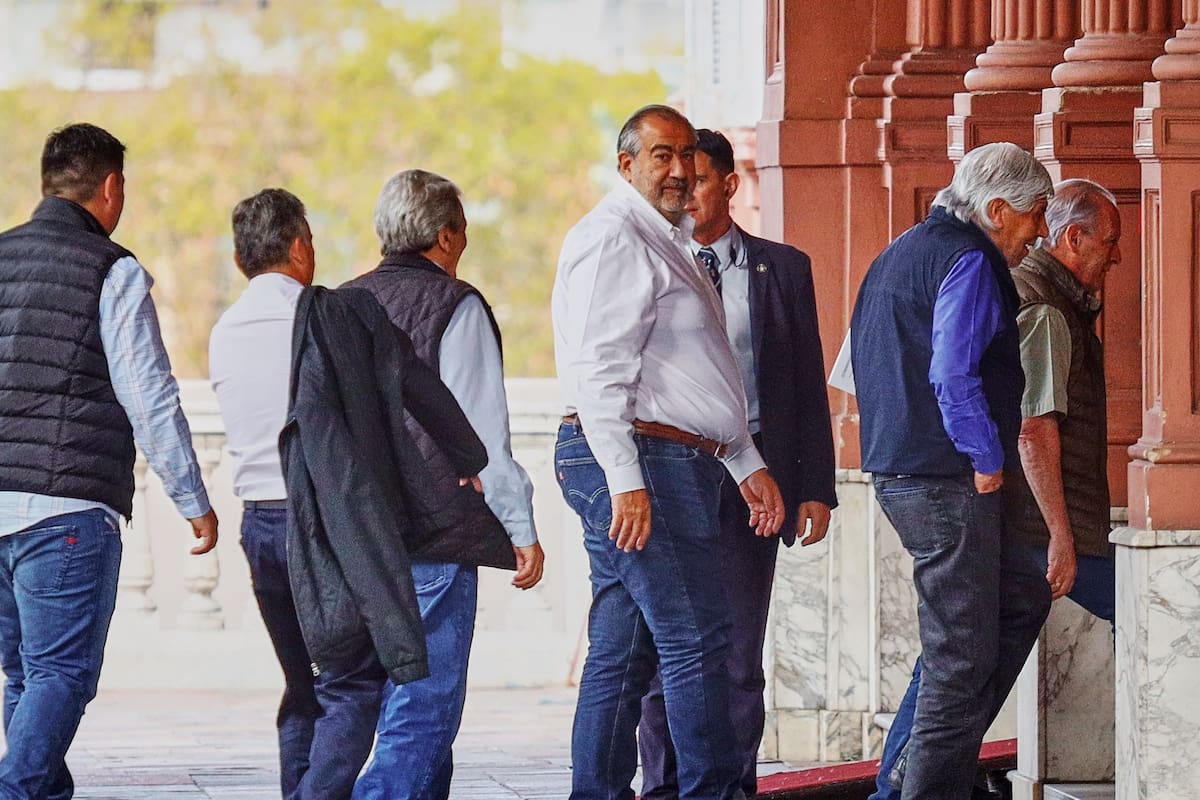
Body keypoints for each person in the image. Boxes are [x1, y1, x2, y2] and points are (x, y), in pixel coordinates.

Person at [210, 188, 489, 800]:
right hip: (325, 528)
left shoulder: (225, 330)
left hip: (259, 528)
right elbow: (413, 380)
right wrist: (470, 456)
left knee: (305, 688)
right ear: (300, 248)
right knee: (353, 685)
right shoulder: (338, 314)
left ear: (239, 260)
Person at [552, 103, 786, 800]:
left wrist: (744, 459)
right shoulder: (616, 237)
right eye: (662, 155)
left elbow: (693, 371)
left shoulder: (663, 238)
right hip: (640, 456)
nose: (680, 169)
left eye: (687, 154)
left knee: (624, 650)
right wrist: (626, 480)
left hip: (661, 454)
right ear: (626, 165)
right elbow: (600, 370)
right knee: (699, 639)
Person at [0, 122, 219, 799]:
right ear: (112, 187)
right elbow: (149, 395)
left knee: (27, 677)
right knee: (61, 676)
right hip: (64, 512)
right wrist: (193, 499)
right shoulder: (112, 270)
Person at [637, 129, 838, 799]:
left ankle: (734, 788)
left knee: (740, 650)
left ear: (729, 184)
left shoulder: (783, 268)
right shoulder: (650, 263)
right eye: (676, 180)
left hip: (759, 480)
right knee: (670, 647)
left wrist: (815, 485)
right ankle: (664, 787)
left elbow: (806, 381)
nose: (684, 192)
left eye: (697, 180)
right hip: (672, 472)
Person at [851, 141, 1055, 800]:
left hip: (908, 470)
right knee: (961, 658)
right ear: (997, 210)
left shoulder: (903, 250)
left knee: (1015, 601)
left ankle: (910, 772)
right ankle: (920, 787)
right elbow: (952, 372)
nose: (1040, 231)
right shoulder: (968, 257)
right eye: (1035, 213)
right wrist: (985, 457)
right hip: (946, 478)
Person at [344, 169, 545, 800]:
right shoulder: (457, 305)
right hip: (435, 531)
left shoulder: (340, 303)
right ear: (447, 236)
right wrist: (521, 529)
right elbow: (482, 435)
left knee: (375, 698)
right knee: (424, 703)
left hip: (356, 531)